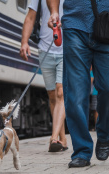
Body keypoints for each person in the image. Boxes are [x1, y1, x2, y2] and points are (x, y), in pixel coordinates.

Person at [47, 0, 109, 167]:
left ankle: (105, 134)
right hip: (74, 24)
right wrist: (54, 11)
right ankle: (81, 151)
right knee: (75, 93)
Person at [20, 0, 67, 152]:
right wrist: (24, 42)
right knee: (52, 96)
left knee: (61, 93)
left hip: (66, 50)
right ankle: (62, 138)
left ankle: (53, 138)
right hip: (45, 49)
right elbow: (30, 17)